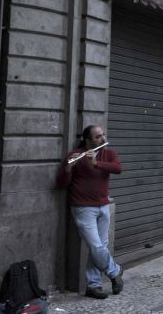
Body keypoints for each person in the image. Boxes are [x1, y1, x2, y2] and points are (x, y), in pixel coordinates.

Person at [56, 125, 124, 299]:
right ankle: (115, 271)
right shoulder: (75, 156)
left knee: (100, 246)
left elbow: (117, 168)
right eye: (97, 137)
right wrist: (68, 169)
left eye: (102, 135)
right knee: (95, 246)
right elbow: (62, 184)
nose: (102, 139)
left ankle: (93, 286)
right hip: (83, 208)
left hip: (103, 205)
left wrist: (96, 163)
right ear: (87, 140)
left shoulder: (109, 154)